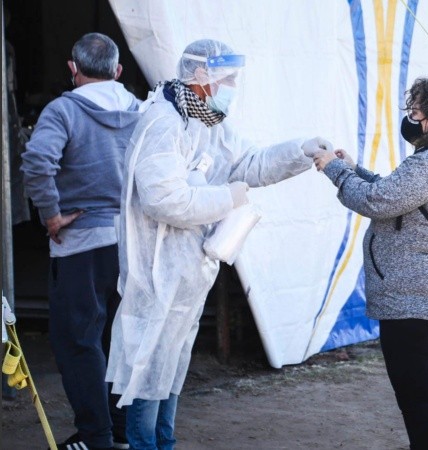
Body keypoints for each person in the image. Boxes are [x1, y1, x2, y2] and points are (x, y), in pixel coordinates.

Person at [105, 39, 328, 449]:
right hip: (158, 273)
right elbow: (163, 199)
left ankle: (163, 443)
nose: (233, 87)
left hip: (189, 272)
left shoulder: (208, 122)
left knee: (170, 367)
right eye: (228, 79)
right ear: (202, 76)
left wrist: (302, 151)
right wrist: (228, 197)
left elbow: (248, 163)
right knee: (150, 366)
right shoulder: (164, 123)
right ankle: (144, 444)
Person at [313, 78, 428, 450]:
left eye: (415, 110)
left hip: (416, 299)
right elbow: (398, 194)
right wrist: (356, 170)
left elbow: (376, 202)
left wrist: (334, 170)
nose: (410, 117)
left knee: (419, 399)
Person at [20, 32, 140, 450]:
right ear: (118, 71)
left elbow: (37, 160)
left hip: (80, 246)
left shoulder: (63, 111)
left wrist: (51, 214)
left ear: (73, 69)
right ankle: (121, 432)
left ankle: (95, 437)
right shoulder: (139, 110)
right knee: (118, 339)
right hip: (130, 244)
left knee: (78, 342)